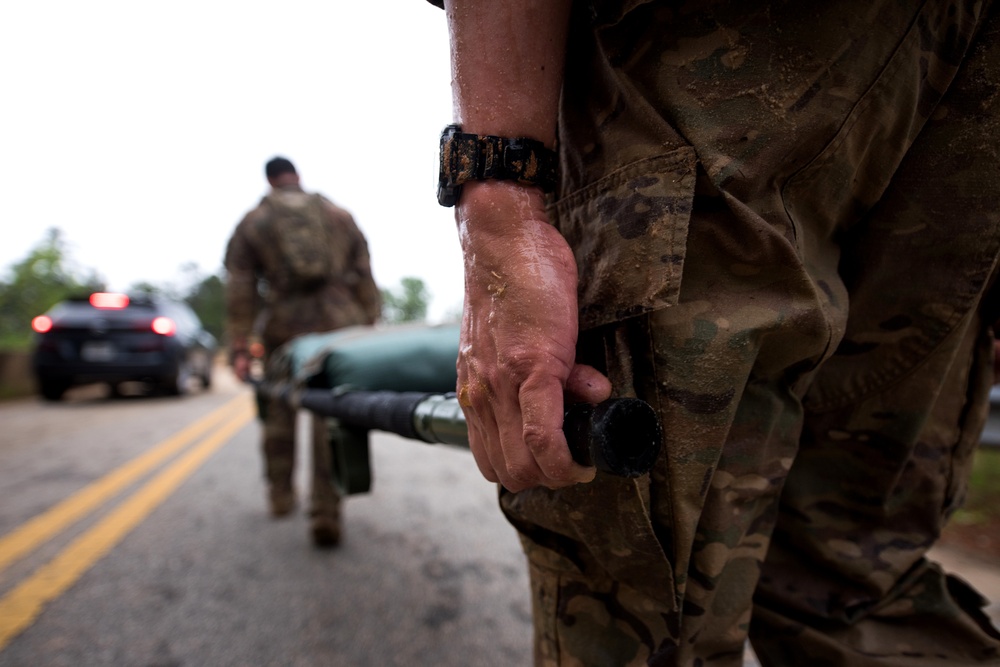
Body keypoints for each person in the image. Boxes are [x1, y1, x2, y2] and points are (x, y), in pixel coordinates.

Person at [430, 0, 1000, 664]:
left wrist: (499, 207)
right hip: (970, 85)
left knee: (643, 615)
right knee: (854, 582)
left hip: (713, 62)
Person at [225, 156, 380, 547]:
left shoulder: (254, 222)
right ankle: (326, 511)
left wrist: (241, 346)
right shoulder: (338, 215)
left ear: (270, 181)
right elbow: (364, 272)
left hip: (283, 327)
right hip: (338, 326)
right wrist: (370, 324)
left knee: (279, 410)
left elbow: (240, 286)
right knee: (329, 413)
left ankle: (280, 495)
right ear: (297, 177)